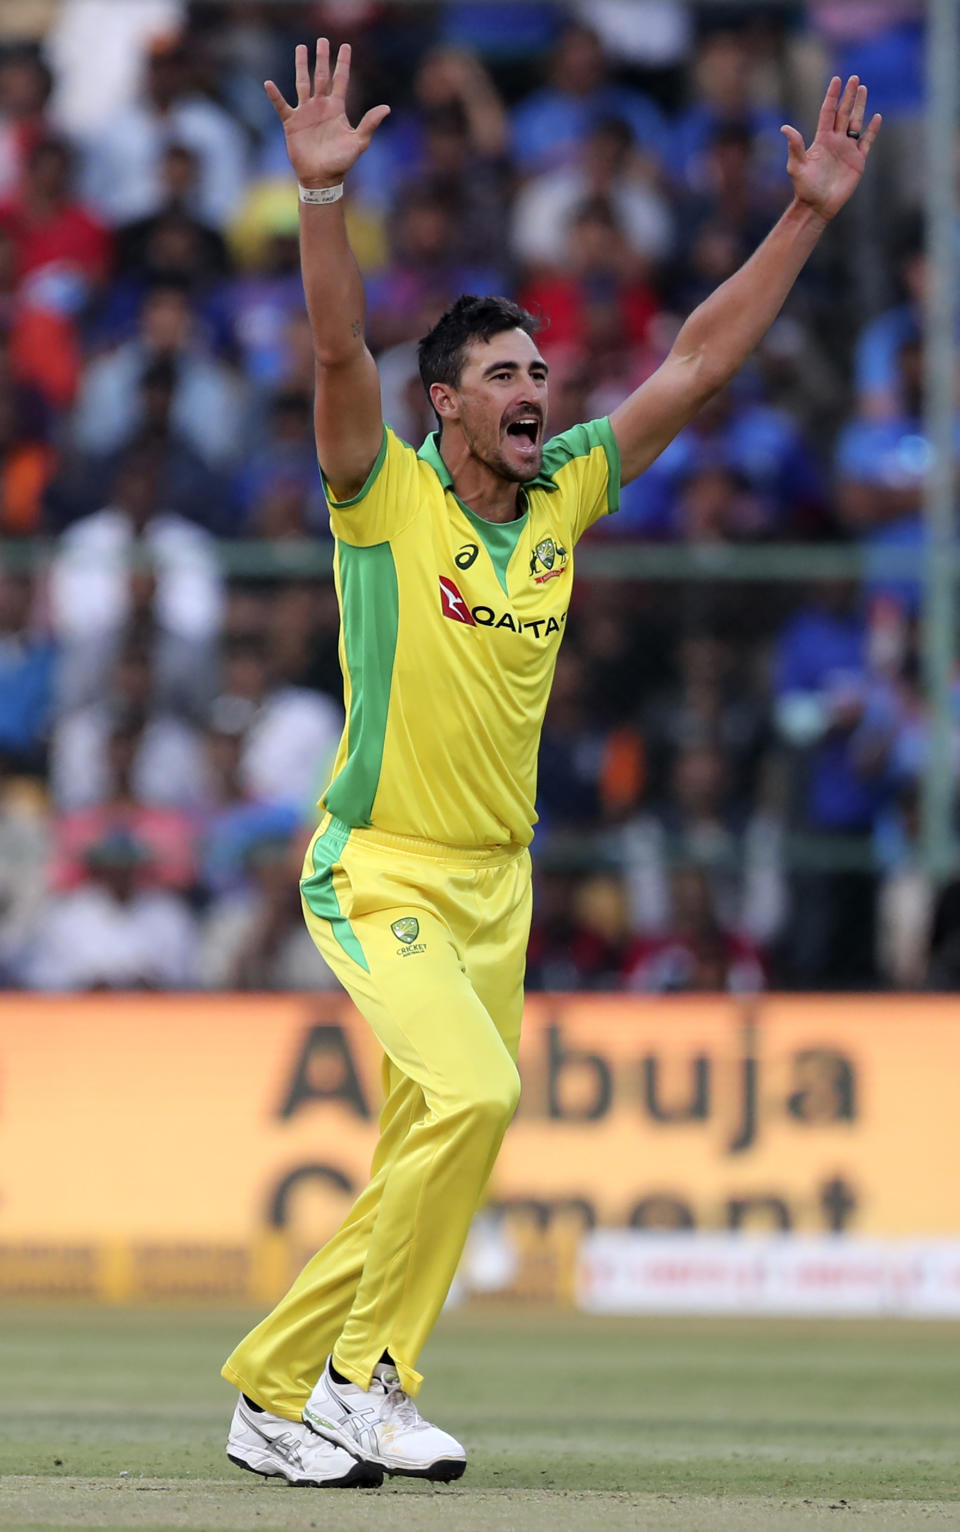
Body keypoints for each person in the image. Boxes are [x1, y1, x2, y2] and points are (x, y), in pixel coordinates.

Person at [222, 39, 880, 1490]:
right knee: (474, 1101)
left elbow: (698, 361)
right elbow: (338, 355)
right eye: (504, 375)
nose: (538, 388)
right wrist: (323, 204)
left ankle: (273, 1387)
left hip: (497, 887)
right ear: (444, 404)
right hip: (377, 862)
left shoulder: (567, 488)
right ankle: (362, 1381)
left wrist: (809, 217)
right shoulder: (381, 497)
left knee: (429, 1149)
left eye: (541, 369)